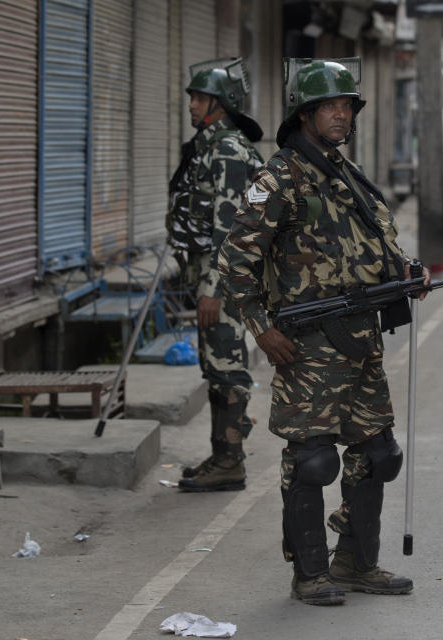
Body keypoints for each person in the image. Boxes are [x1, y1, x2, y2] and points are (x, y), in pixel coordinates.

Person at [218, 59, 429, 606]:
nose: (341, 115)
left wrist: (405, 275)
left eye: (347, 106)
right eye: (329, 106)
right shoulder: (280, 177)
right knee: (312, 460)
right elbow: (235, 261)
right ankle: (309, 574)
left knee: (377, 454)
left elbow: (373, 248)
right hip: (307, 345)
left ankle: (357, 563)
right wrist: (261, 329)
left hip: (361, 340)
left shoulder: (346, 173)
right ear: (305, 113)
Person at [166, 58, 264, 492]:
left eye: (199, 97)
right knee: (215, 365)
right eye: (191, 97)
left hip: (224, 280)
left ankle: (231, 461)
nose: (191, 105)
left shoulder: (227, 150)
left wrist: (212, 290)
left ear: (220, 105)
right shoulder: (210, 144)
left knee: (227, 366)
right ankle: (222, 455)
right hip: (211, 274)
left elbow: (231, 228)